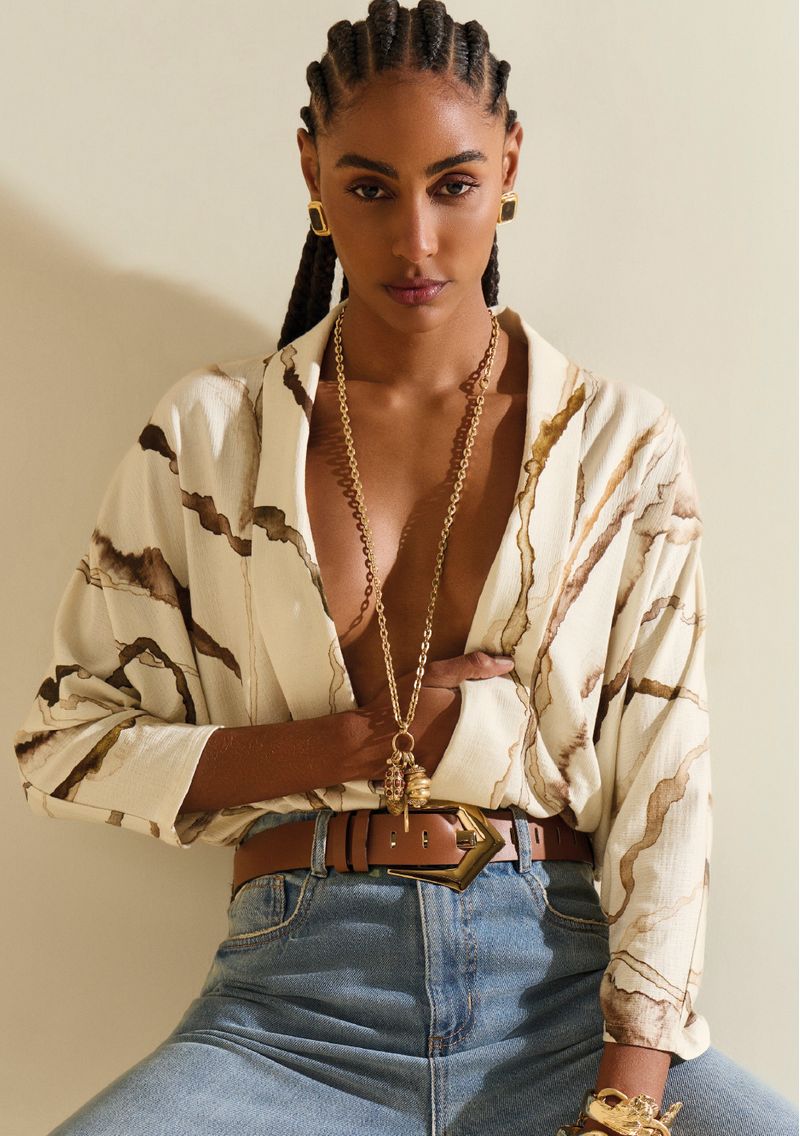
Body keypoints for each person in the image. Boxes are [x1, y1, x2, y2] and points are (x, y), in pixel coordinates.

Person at [12, 2, 797, 1134]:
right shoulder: (209, 435)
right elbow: (62, 746)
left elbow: (666, 784)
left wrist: (626, 1098)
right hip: (289, 1017)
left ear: (509, 165)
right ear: (311, 172)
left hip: (564, 1007)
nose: (415, 241)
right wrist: (351, 741)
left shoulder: (618, 443)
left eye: (454, 185)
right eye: (371, 188)